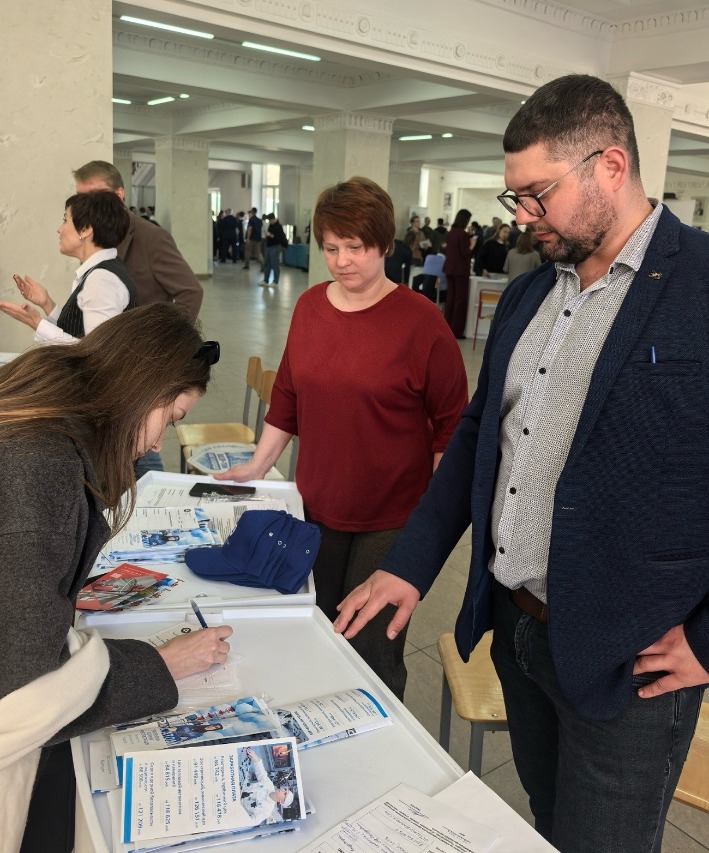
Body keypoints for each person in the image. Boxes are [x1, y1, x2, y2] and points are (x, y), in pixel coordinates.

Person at [334, 75, 709, 853]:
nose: (522, 216)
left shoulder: (699, 286)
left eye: (537, 194)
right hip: (519, 629)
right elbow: (479, 436)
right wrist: (409, 563)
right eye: (515, 197)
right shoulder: (529, 292)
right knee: (547, 826)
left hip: (631, 660)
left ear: (610, 166)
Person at [215, 177, 468, 700]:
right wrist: (258, 465)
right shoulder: (310, 307)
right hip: (317, 504)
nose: (342, 261)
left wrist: (432, 521)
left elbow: (451, 428)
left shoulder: (421, 322)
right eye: (331, 248)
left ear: (384, 244)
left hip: (392, 515)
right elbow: (287, 396)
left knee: (370, 649)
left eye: (355, 247)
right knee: (313, 628)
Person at [0, 304, 233, 852]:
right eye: (170, 419)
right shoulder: (41, 468)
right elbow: (26, 700)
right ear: (140, 388)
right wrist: (162, 664)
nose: (156, 445)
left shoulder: (42, 406)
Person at [71, 161, 203, 321]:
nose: (85, 206)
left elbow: (191, 292)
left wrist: (163, 335)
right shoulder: (90, 236)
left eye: (95, 196)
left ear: (119, 195)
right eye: (80, 198)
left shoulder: (152, 237)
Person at [0, 191, 137, 343]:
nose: (59, 229)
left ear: (85, 229)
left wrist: (36, 323)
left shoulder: (101, 280)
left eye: (65, 220)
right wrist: (47, 303)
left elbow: (96, 353)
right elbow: (79, 332)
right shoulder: (102, 271)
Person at [241, 748, 294, 825]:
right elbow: (261, 772)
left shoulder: (266, 811)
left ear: (282, 801)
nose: (283, 790)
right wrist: (256, 758)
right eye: (285, 790)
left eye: (285, 793)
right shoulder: (269, 785)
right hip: (237, 790)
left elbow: (252, 822)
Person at [442, 208, 472, 338]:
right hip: (460, 270)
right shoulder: (462, 234)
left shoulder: (451, 232)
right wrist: (472, 245)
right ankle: (456, 330)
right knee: (460, 300)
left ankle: (446, 326)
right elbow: (465, 253)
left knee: (450, 298)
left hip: (449, 268)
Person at [260, 213, 286, 287]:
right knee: (267, 263)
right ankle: (266, 280)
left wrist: (271, 235)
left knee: (275, 264)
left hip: (275, 247)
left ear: (273, 219)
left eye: (270, 220)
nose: (269, 222)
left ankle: (275, 281)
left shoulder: (278, 227)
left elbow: (279, 238)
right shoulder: (270, 225)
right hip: (269, 246)